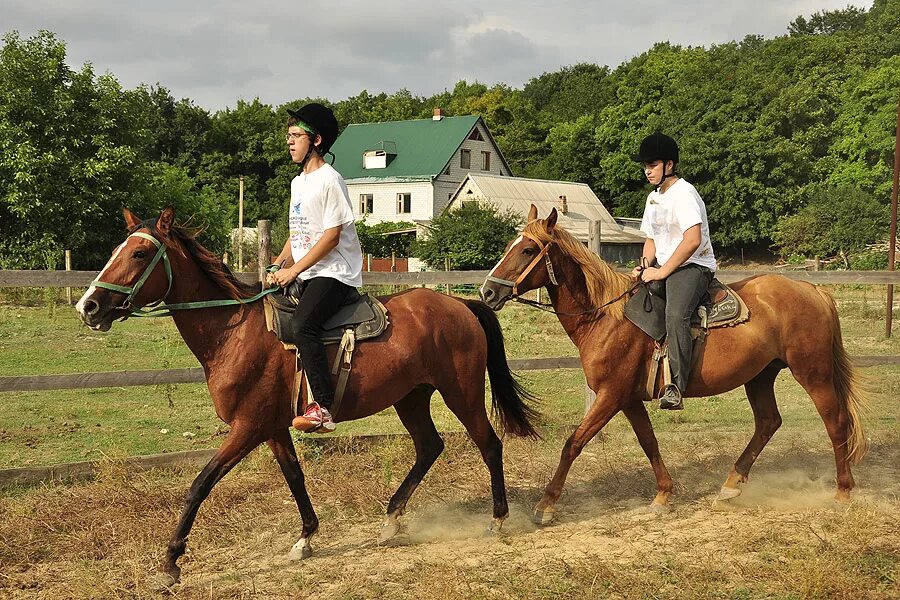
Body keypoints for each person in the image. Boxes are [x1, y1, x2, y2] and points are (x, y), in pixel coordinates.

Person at [270, 103, 363, 432]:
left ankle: (322, 408)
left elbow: (332, 237)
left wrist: (293, 272)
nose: (290, 141)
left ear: (317, 140)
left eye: (297, 135)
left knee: (304, 325)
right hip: (309, 270)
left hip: (336, 272)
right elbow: (298, 235)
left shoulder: (330, 180)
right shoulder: (299, 183)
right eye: (289, 135)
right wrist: (279, 263)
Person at [629, 132, 716, 410]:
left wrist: (661, 272)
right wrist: (644, 266)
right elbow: (652, 239)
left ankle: (675, 386)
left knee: (676, 314)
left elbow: (692, 240)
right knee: (632, 303)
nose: (647, 170)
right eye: (645, 165)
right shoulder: (653, 198)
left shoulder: (685, 193)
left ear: (669, 165)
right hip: (664, 266)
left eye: (652, 165)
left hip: (693, 266)